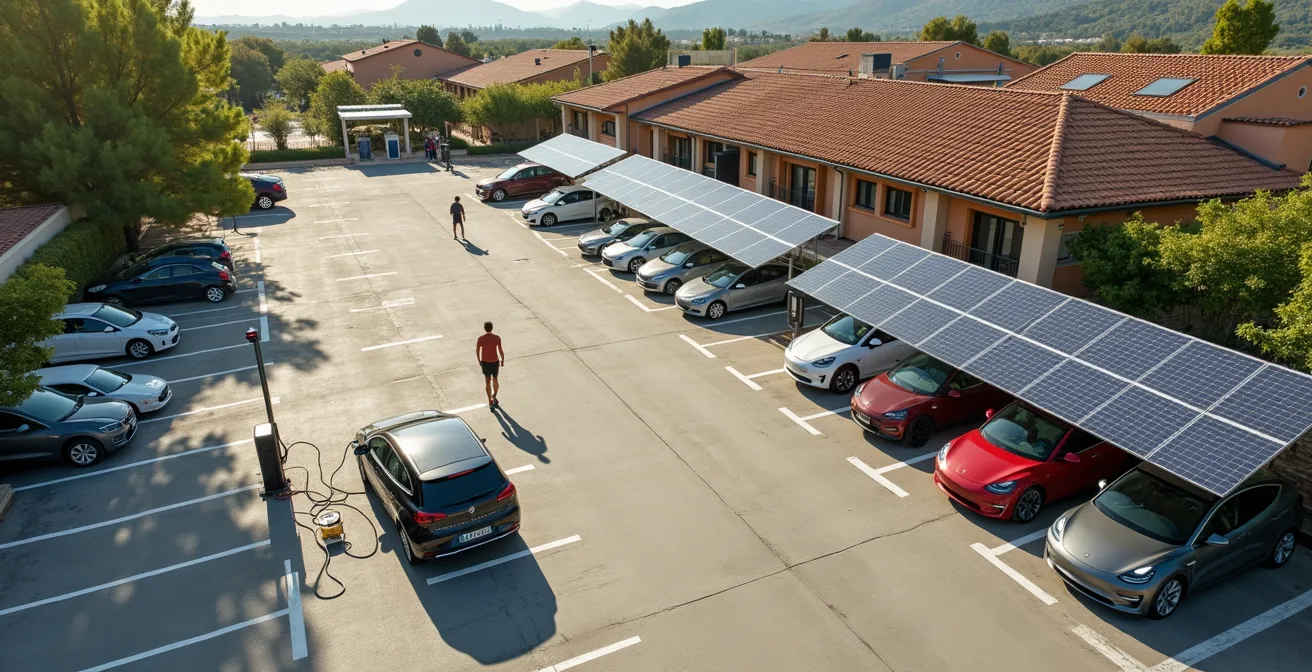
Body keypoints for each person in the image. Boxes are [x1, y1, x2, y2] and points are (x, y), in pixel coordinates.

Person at [476, 322, 504, 408]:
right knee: (495, 379)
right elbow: (500, 349)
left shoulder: (480, 339)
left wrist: (479, 361)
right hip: (495, 362)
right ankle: (494, 395)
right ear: (492, 328)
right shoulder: (497, 338)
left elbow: (477, 351)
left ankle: (489, 401)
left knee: (487, 381)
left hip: (485, 362)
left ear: (484, 328)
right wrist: (502, 359)